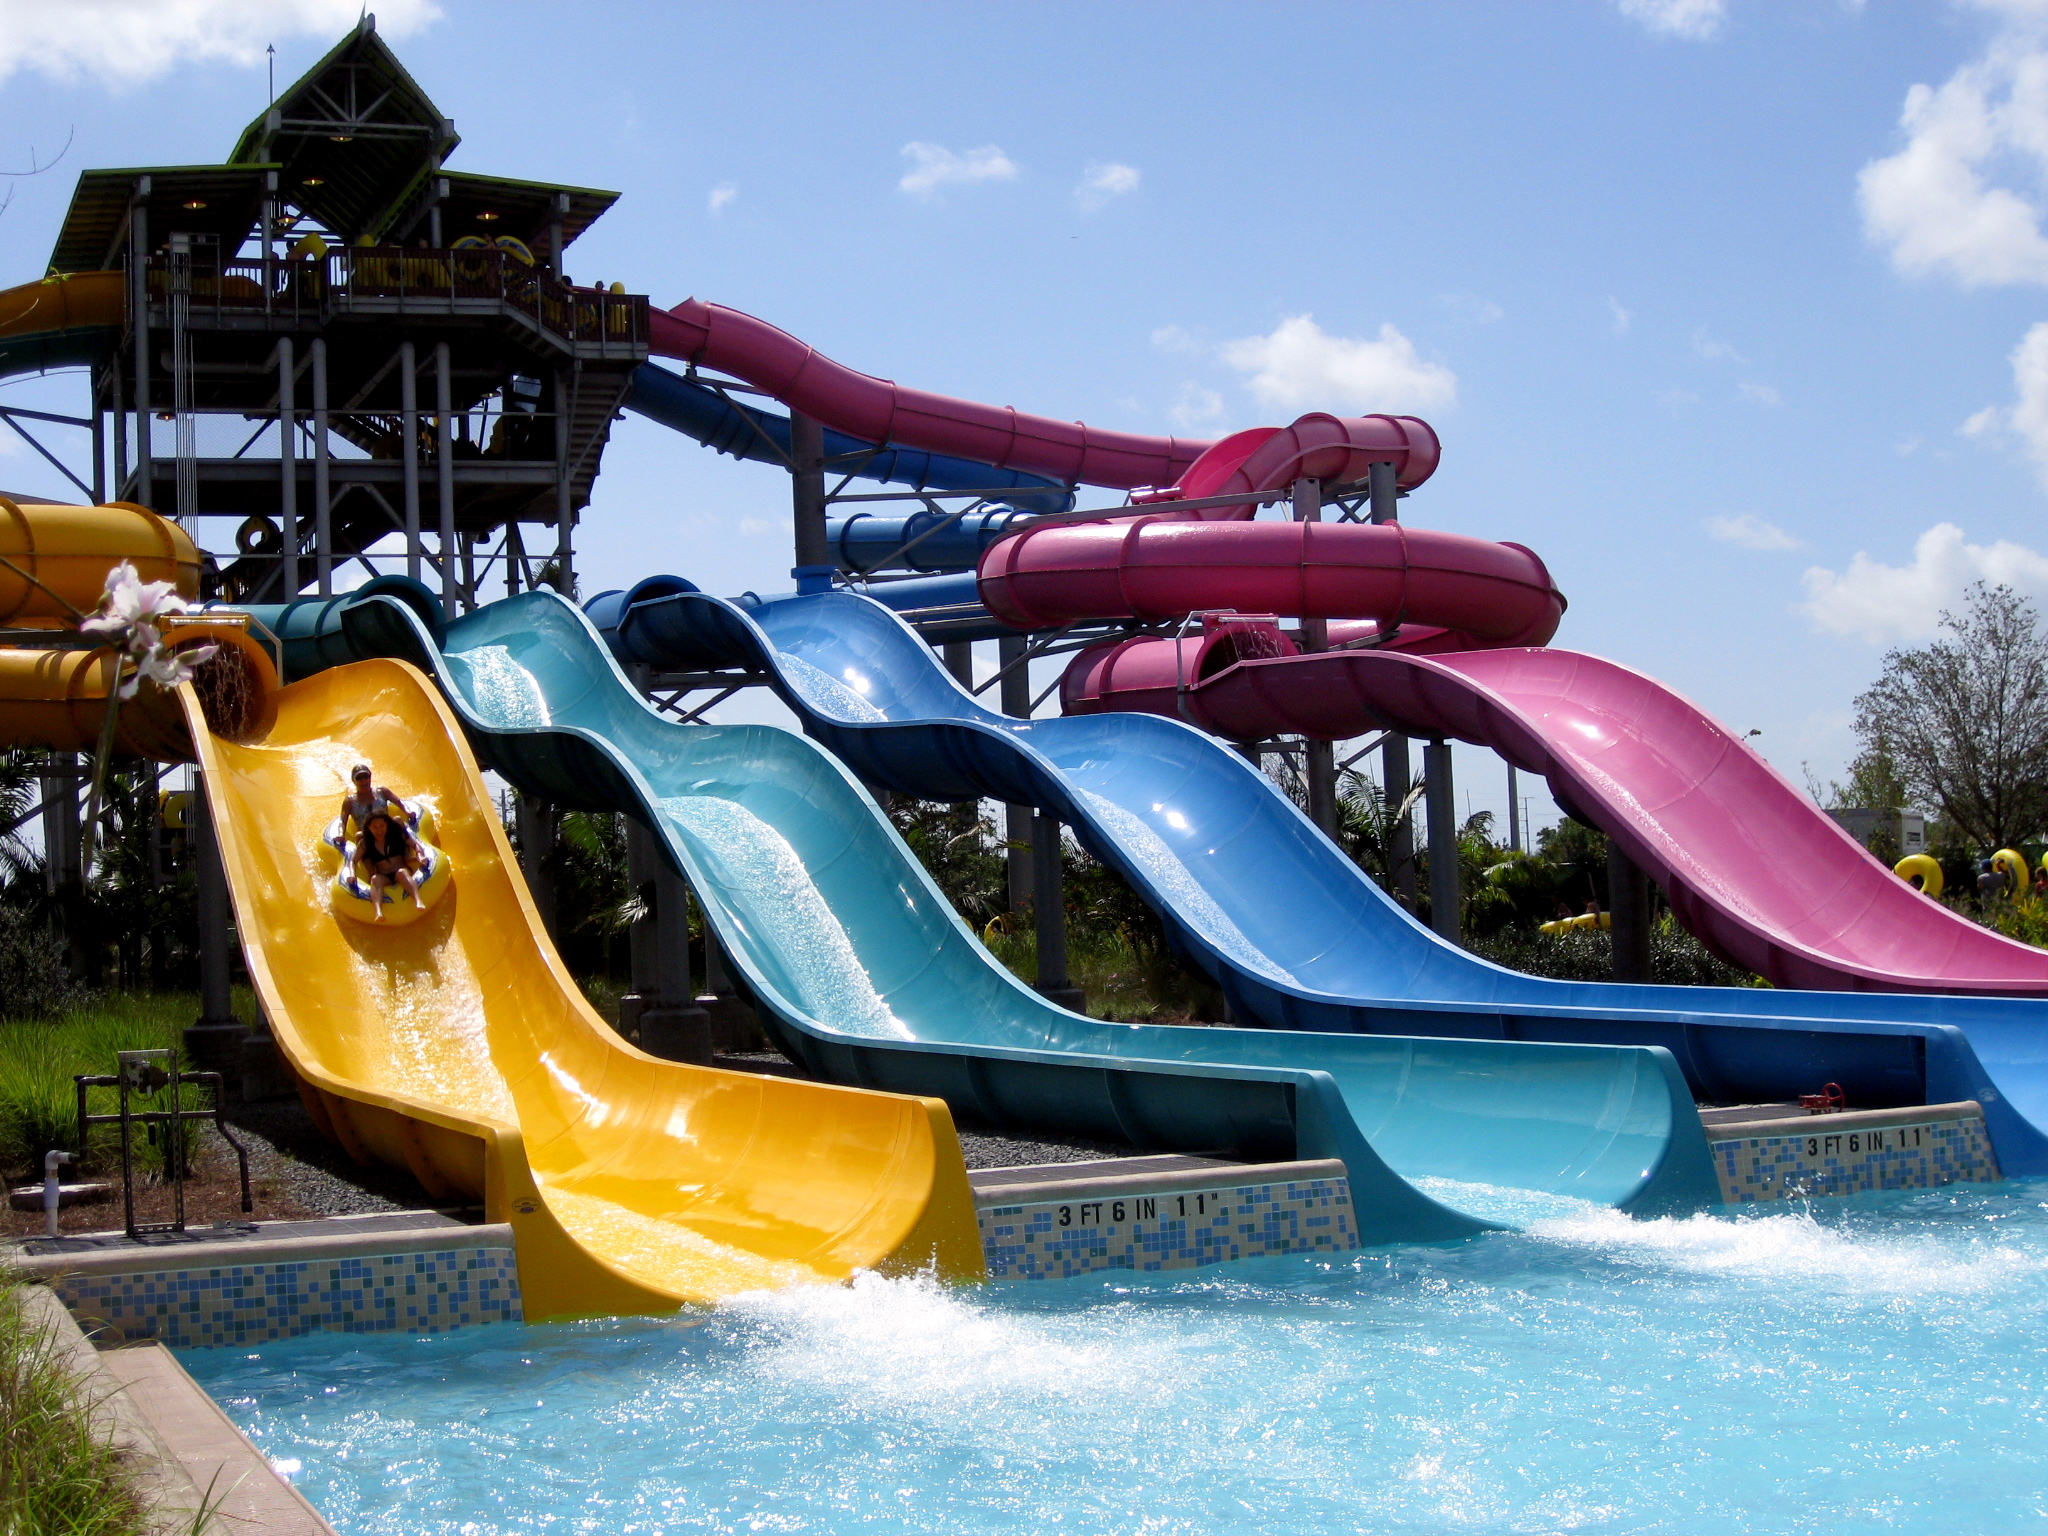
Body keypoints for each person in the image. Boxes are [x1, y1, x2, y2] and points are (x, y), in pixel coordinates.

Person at [355, 809, 421, 919]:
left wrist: (420, 855)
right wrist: (352, 873)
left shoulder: (395, 835)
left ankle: (418, 900)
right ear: (369, 828)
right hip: (385, 876)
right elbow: (353, 860)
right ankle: (378, 912)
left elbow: (415, 845)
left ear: (387, 825)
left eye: (382, 826)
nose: (379, 830)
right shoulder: (366, 843)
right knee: (375, 879)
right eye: (374, 827)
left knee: (401, 873)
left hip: (401, 870)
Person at [339, 762, 407, 839]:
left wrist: (408, 812)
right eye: (359, 778)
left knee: (397, 820)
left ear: (370, 778)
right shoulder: (349, 801)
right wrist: (340, 834)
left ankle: (408, 847)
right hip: (367, 836)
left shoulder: (382, 791)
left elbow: (399, 802)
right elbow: (342, 821)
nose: (363, 780)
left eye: (366, 776)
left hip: (386, 831)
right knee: (358, 835)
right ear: (354, 781)